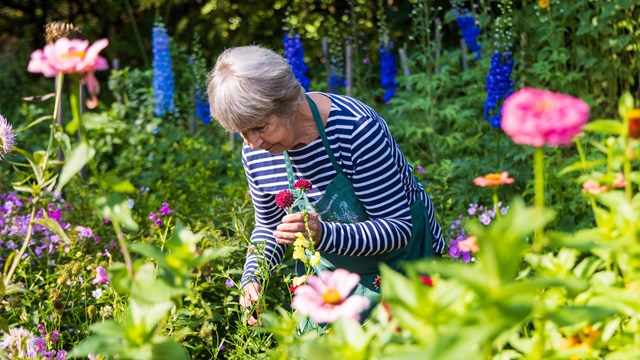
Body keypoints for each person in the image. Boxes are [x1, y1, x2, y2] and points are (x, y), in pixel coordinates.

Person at [207, 45, 445, 324]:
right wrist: (253, 277)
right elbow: (270, 226)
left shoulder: (356, 130)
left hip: (403, 266)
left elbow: (397, 227)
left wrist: (322, 235)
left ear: (290, 102)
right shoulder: (256, 153)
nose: (252, 144)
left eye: (260, 127)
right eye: (241, 133)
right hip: (331, 282)